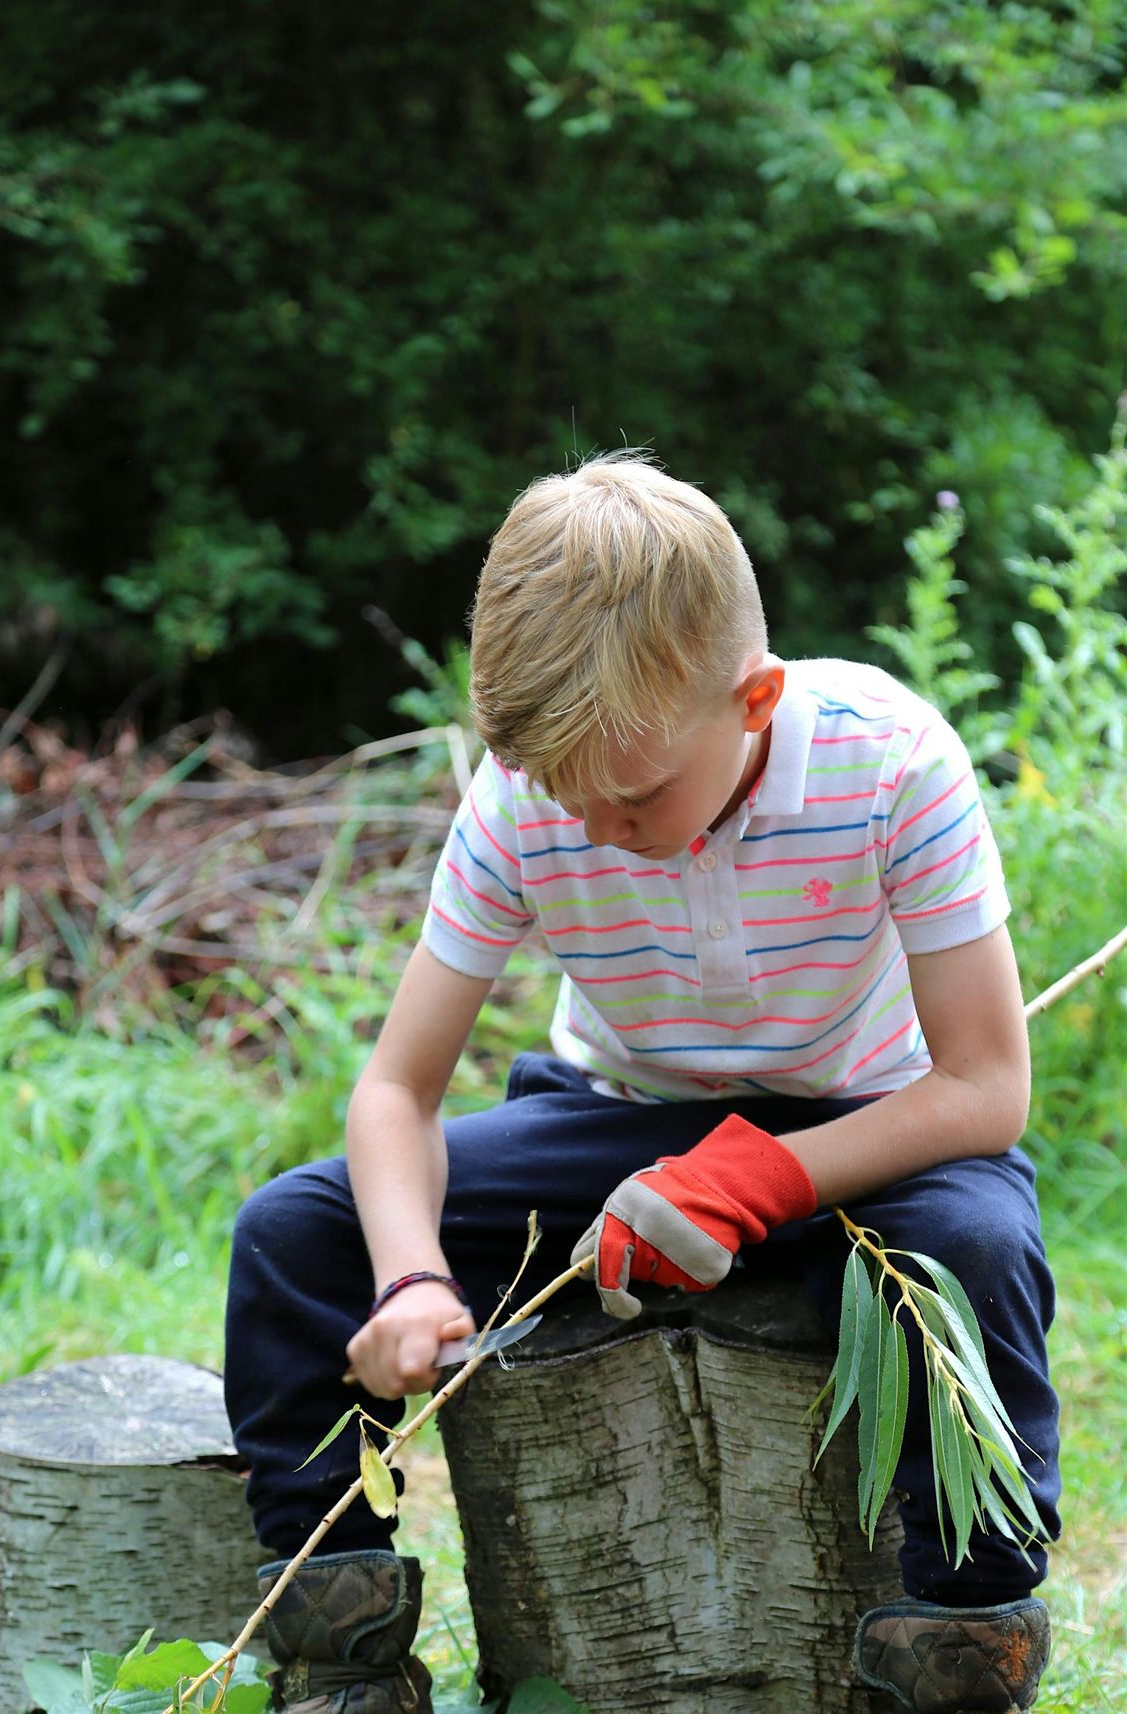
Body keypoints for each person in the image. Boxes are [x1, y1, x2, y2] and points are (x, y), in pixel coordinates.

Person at [225, 454, 1060, 1714]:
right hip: (617, 1124)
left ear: (756, 699)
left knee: (980, 1250)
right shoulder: (531, 795)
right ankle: (337, 1634)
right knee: (293, 1231)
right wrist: (408, 1276)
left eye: (631, 795)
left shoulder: (890, 766)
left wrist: (760, 1177)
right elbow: (397, 1094)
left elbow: (988, 1087)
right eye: (566, 796)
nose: (594, 826)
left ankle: (961, 1633)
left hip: (875, 1130)